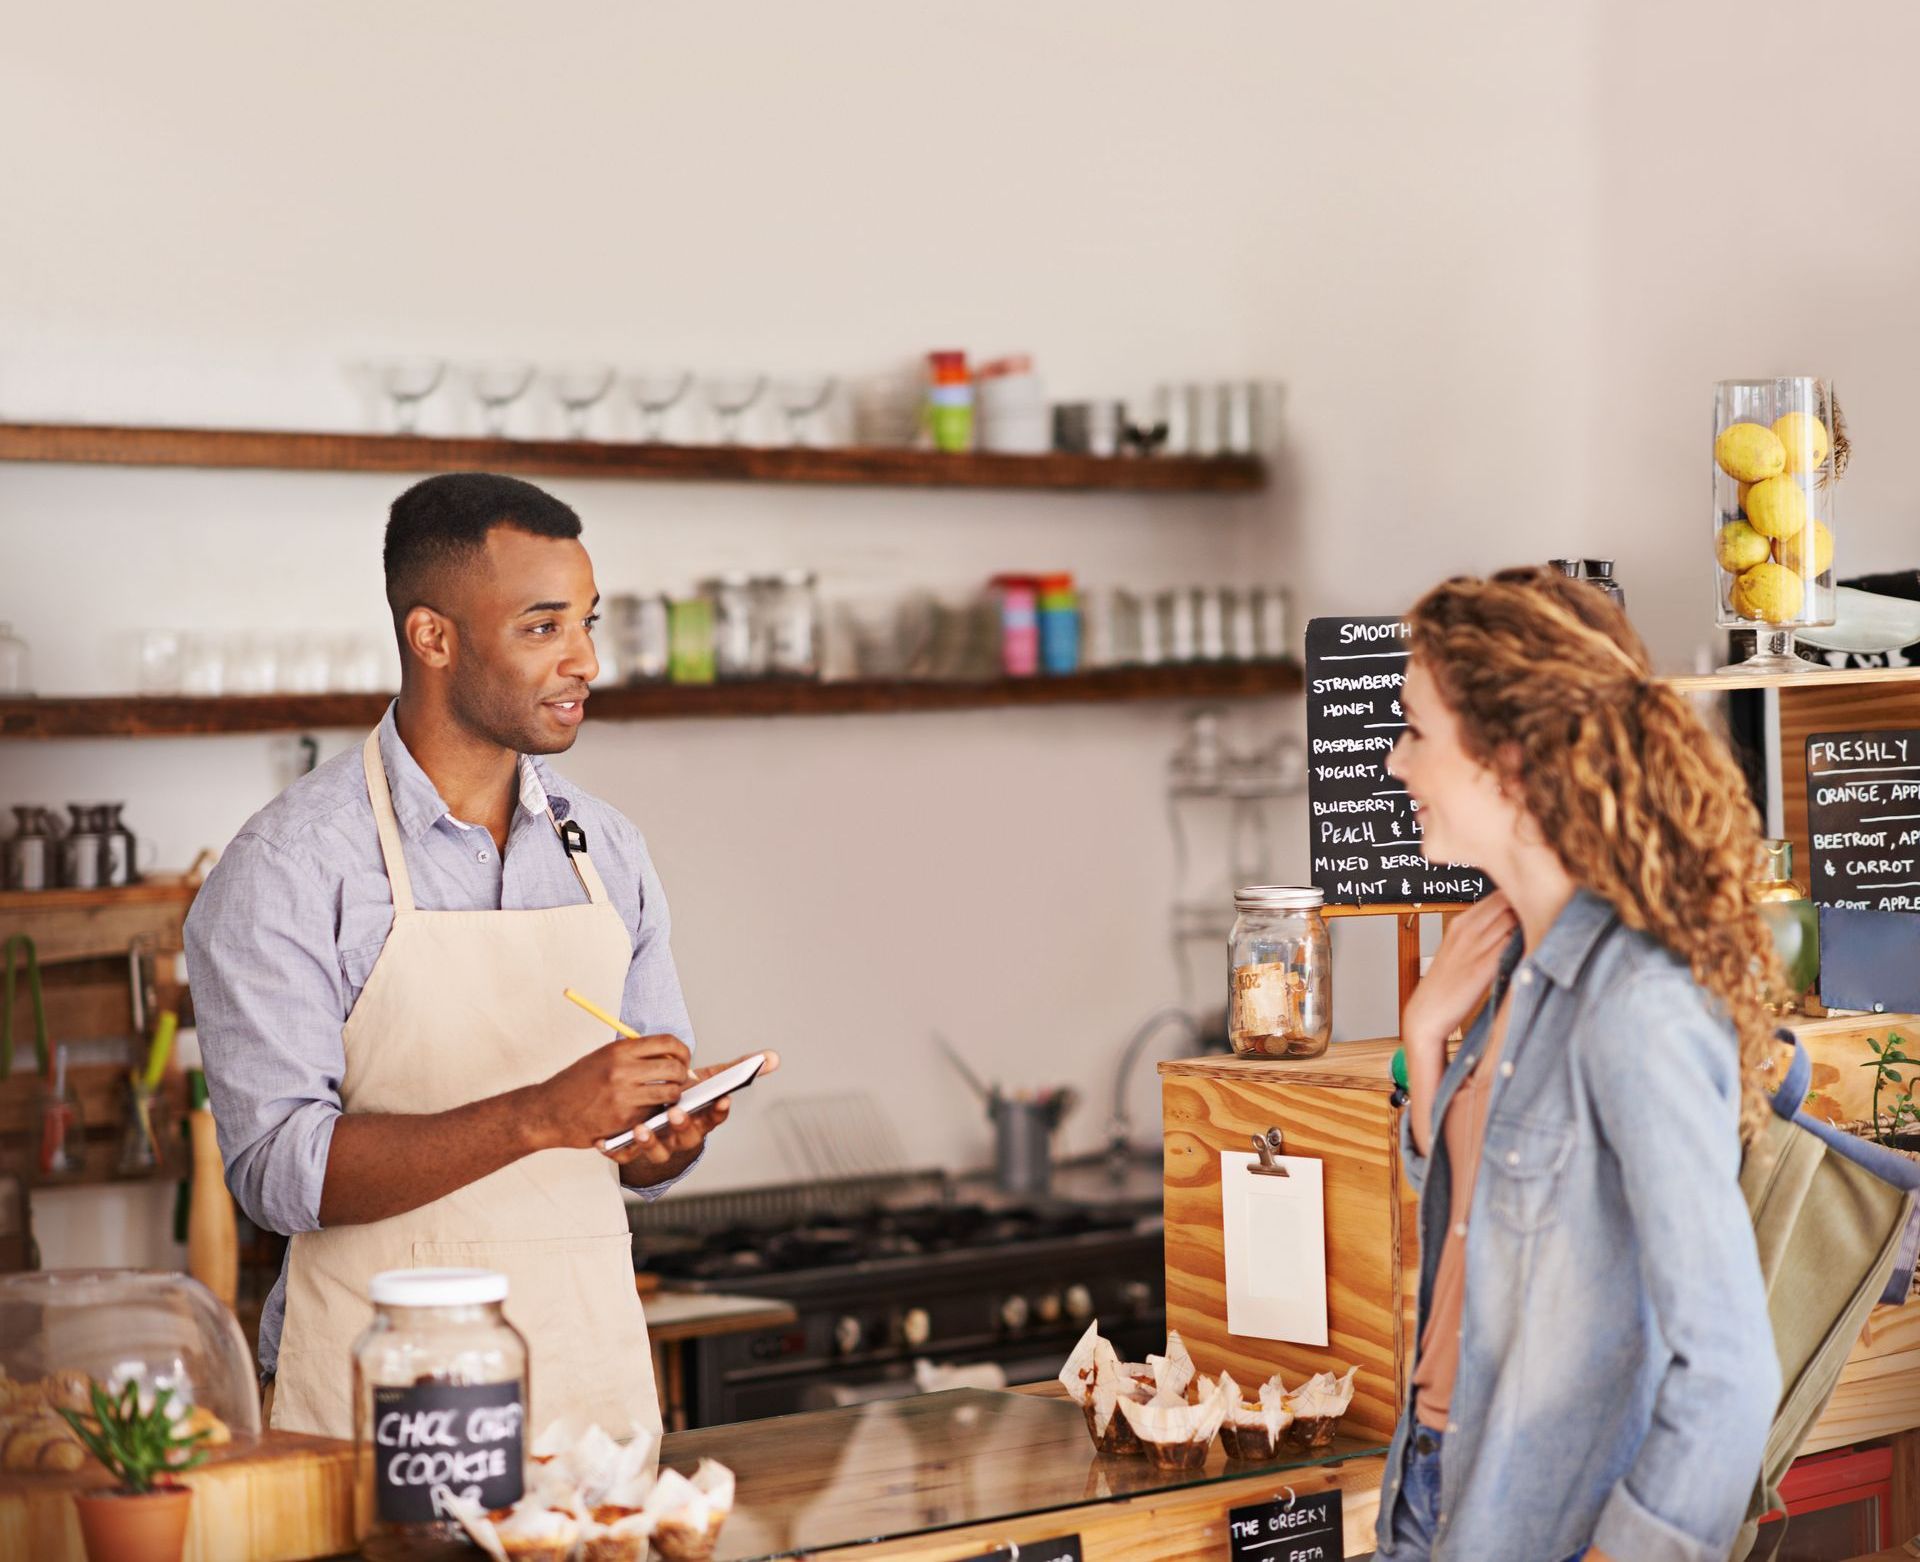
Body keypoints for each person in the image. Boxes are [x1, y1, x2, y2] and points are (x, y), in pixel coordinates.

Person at [185, 472, 775, 1440]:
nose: (583, 659)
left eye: (588, 621)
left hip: (594, 1410)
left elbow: (635, 1143)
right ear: (433, 636)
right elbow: (279, 1169)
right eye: (544, 627)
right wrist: (545, 1113)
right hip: (382, 1421)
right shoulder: (288, 867)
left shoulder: (608, 849)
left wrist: (665, 1136)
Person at [1374, 567, 1780, 1562]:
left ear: (1507, 762)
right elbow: (1496, 1220)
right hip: (1435, 1490)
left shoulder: (1635, 1001)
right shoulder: (1513, 962)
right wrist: (1427, 1037)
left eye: (1416, 731)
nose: (1393, 762)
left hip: (1545, 1522)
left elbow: (1727, 1370)